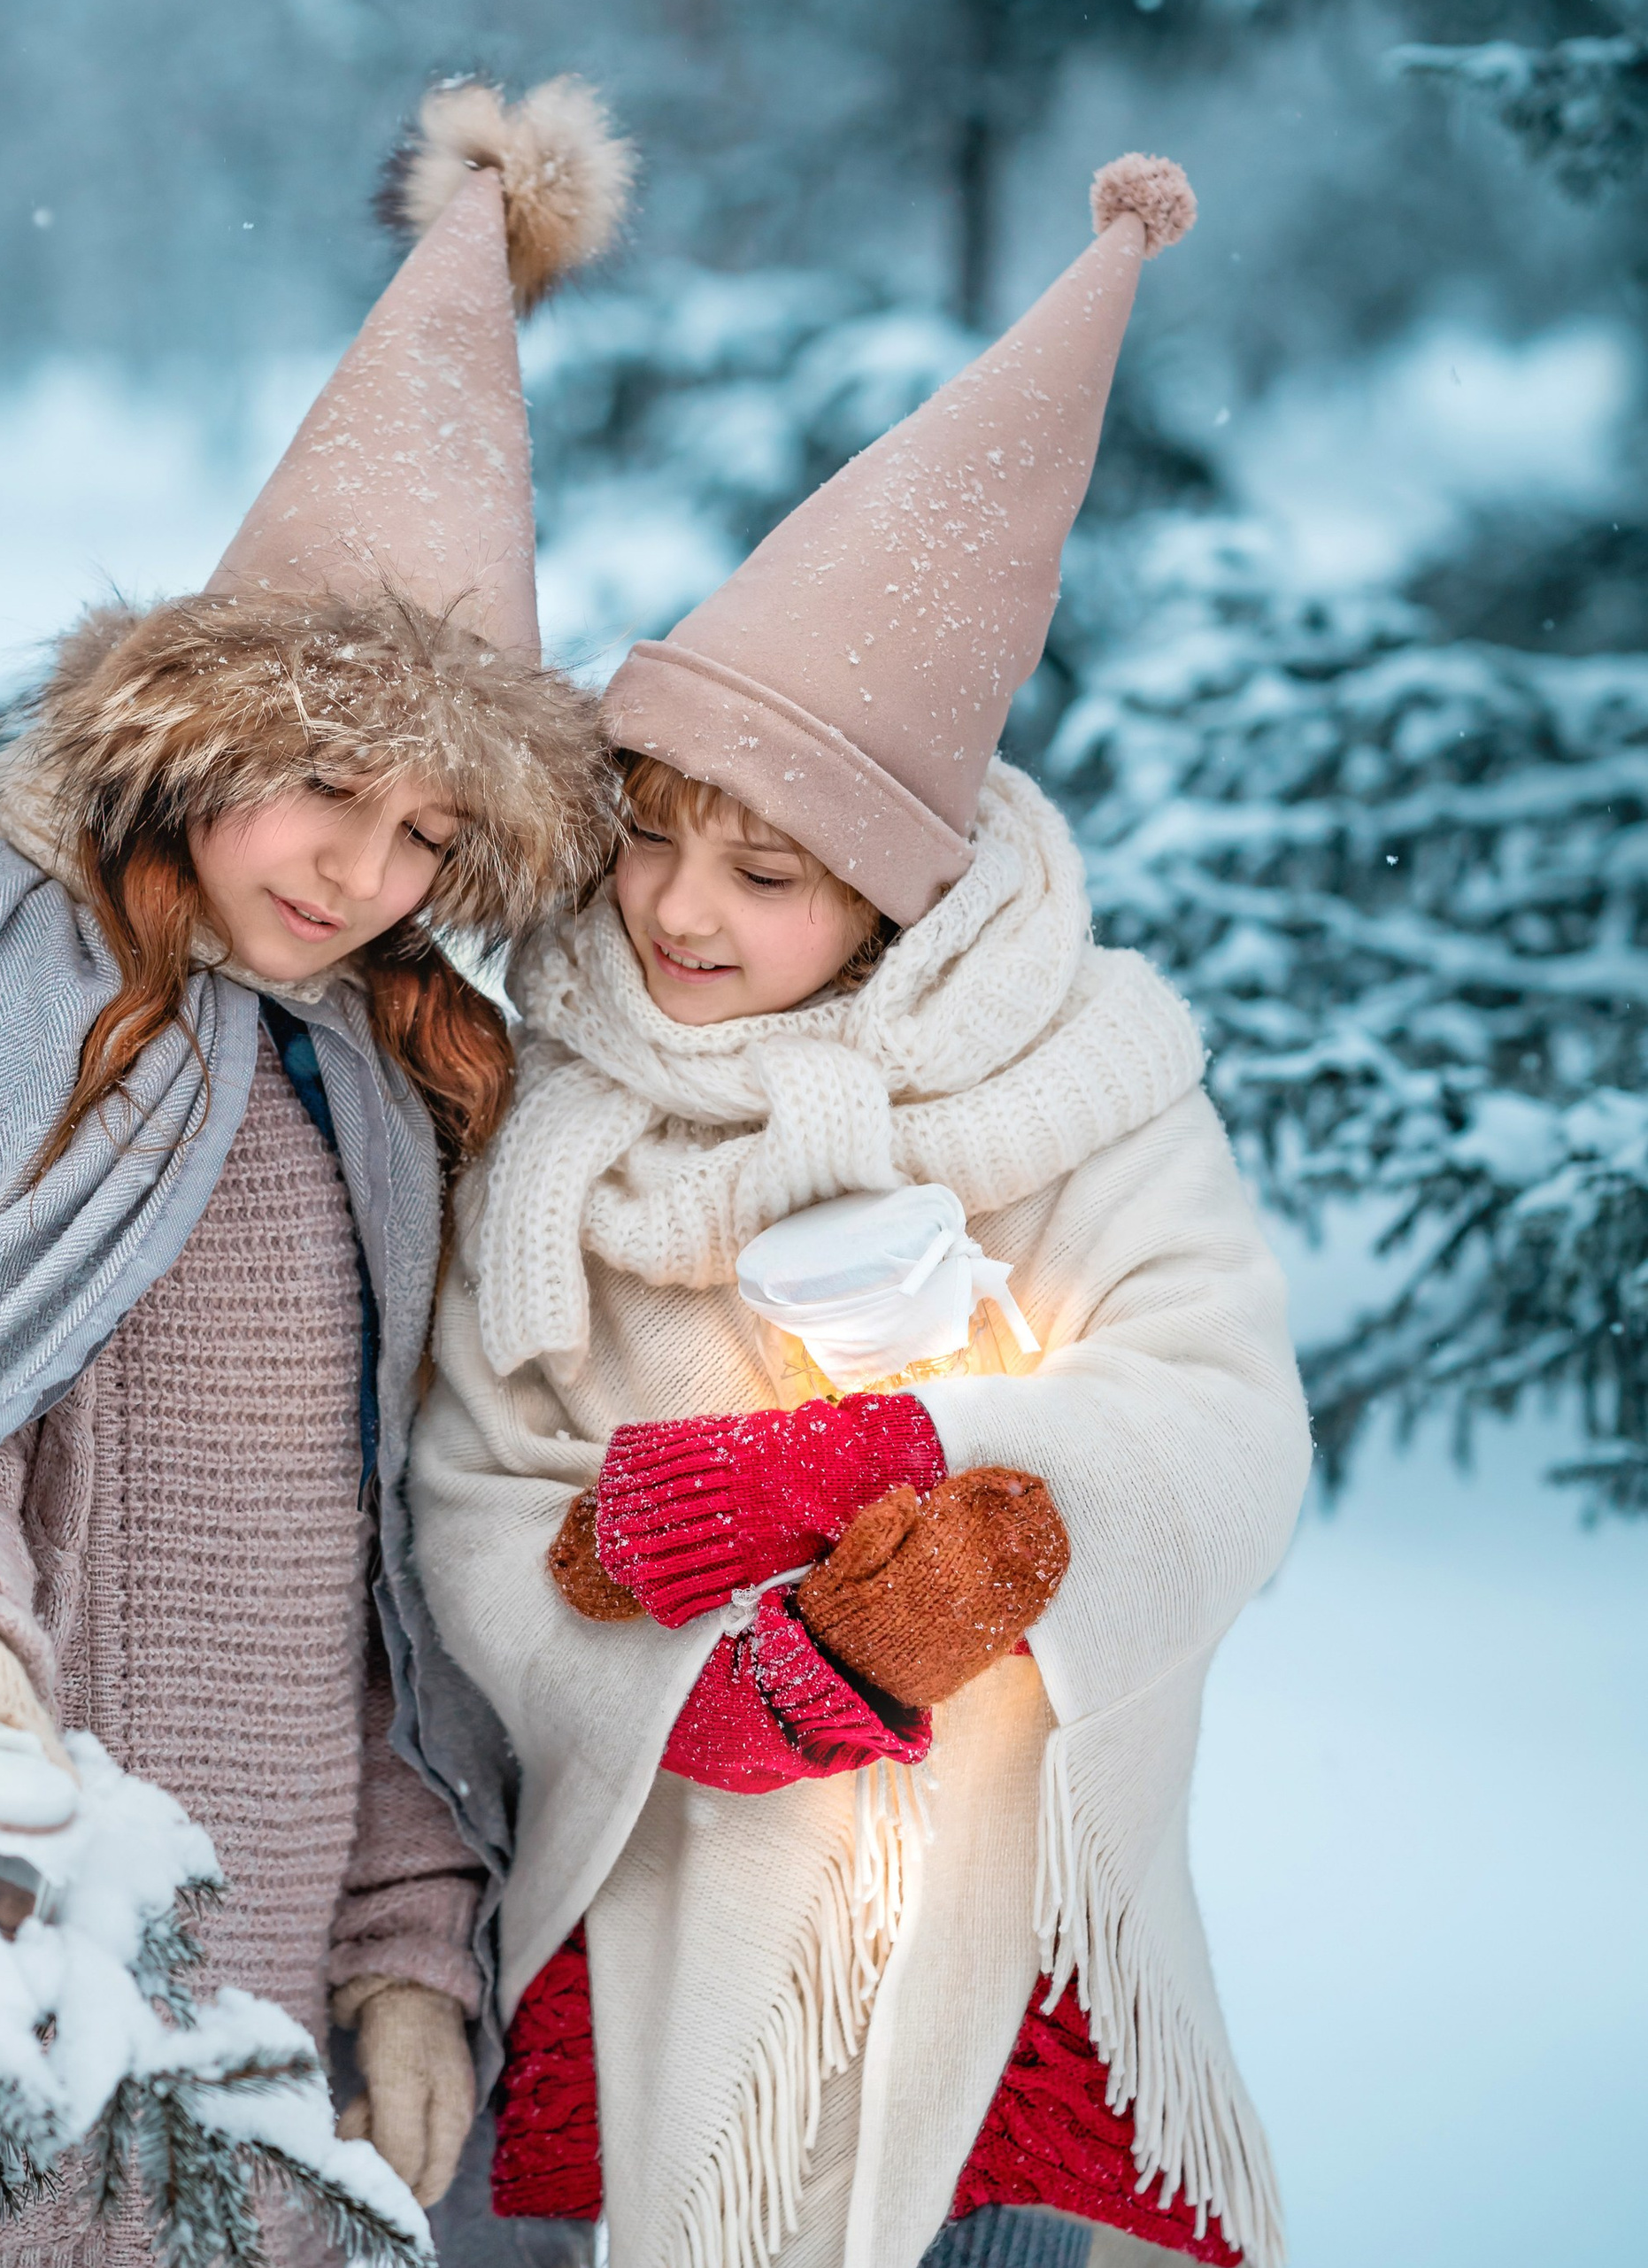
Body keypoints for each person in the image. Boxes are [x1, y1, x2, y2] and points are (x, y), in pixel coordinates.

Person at [0, 79, 631, 2266]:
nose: (364, 878)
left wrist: (401, 1927)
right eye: (325, 794)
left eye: (432, 842)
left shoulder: (369, 1076)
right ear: (207, 740)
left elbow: (385, 1566)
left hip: (247, 1995)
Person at [410, 158, 1311, 2268]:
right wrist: (673, 1688)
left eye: (767, 873)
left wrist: (910, 1458)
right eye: (656, 835)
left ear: (895, 899)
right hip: (658, 1943)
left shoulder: (1069, 1086)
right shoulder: (549, 1101)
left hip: (996, 1969)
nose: (676, 912)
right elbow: (471, 1494)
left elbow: (1218, 1430)